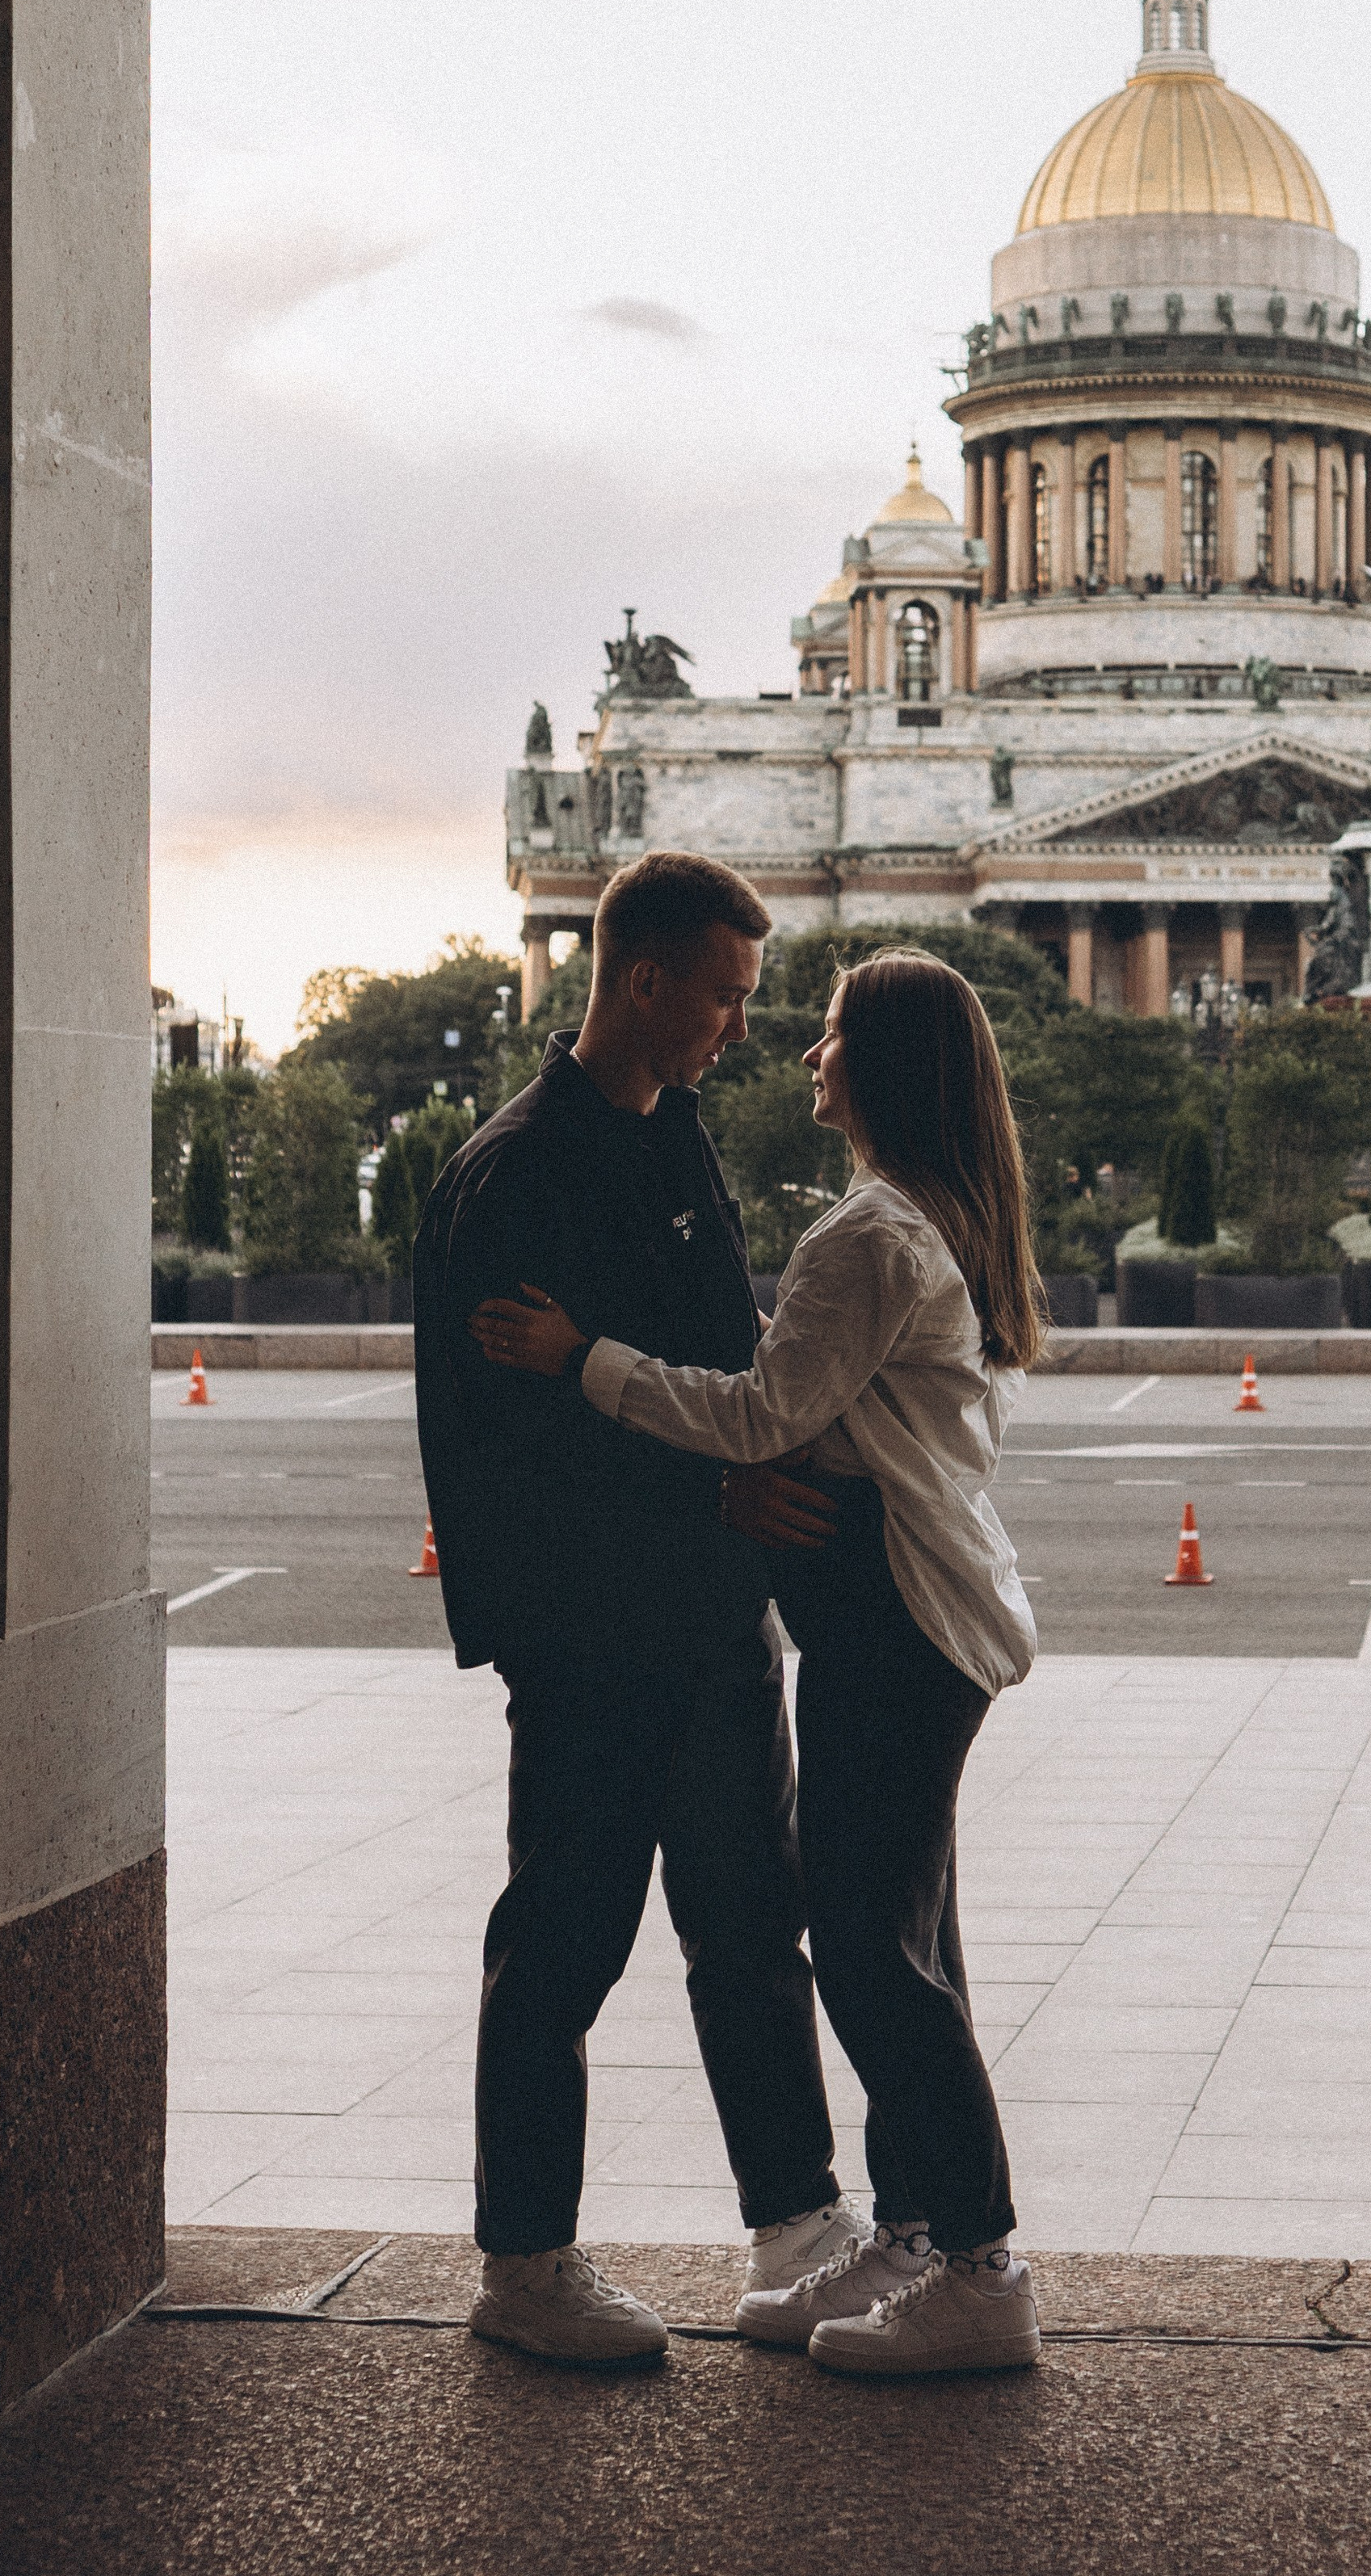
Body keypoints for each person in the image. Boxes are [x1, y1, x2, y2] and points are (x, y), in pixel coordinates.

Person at [475, 947, 1044, 2379]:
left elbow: (755, 1412)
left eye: (834, 1030)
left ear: (886, 1067)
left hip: (893, 1625)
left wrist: (579, 1356)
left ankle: (978, 2263)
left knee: (866, 1949)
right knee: (904, 1938)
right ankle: (915, 2233)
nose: (800, 1047)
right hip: (910, 1621)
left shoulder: (867, 1236)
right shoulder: (929, 1216)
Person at [414, 853, 866, 2368]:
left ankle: (800, 2233)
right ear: (644, 979)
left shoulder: (676, 1137)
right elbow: (510, 1441)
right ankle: (524, 2260)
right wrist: (719, 1496)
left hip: (712, 1624)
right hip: (593, 1635)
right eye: (726, 997)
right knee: (566, 1939)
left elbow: (707, 1358)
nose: (740, 1028)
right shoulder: (519, 1170)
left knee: (751, 1931)